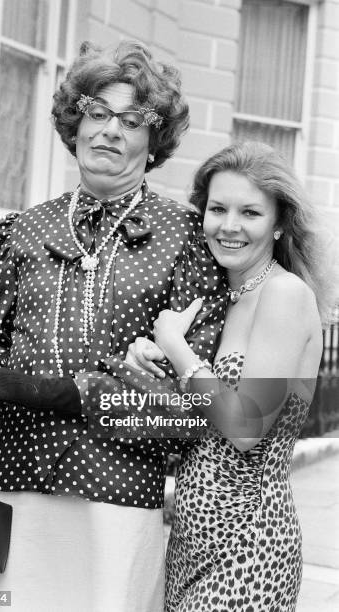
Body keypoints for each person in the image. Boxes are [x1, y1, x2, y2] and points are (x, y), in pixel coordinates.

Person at [0, 41, 228, 611]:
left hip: (118, 493)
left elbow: (189, 409)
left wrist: (53, 392)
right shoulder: (22, 230)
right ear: (74, 123)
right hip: (15, 484)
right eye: (97, 113)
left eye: (132, 121)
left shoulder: (187, 240)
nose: (109, 131)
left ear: (154, 141)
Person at [97, 142, 337, 611]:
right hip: (188, 544)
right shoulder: (215, 302)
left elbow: (246, 426)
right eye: (218, 208)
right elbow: (190, 421)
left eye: (250, 212)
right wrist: (148, 366)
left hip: (250, 549)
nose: (229, 226)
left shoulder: (284, 295)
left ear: (279, 222)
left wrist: (178, 350)